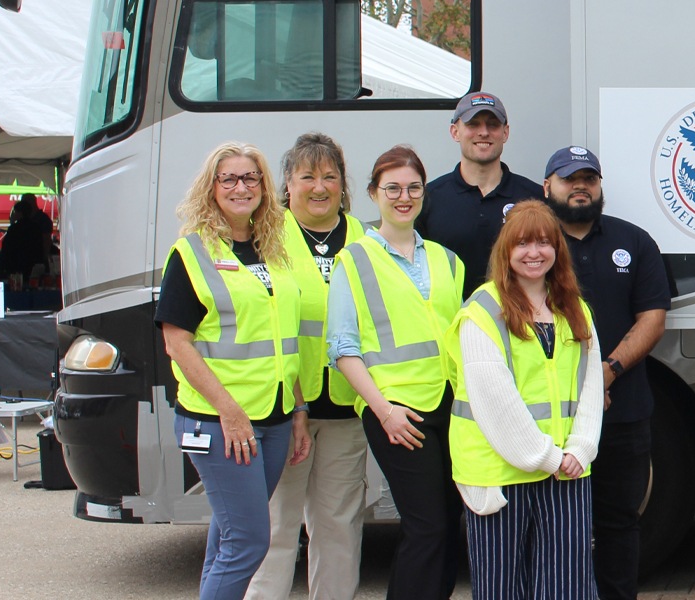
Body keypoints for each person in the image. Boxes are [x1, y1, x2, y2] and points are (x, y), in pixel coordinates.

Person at [154, 143, 310, 599]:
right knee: (248, 541)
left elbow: (285, 338)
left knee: (228, 537)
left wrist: (298, 407)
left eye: (251, 178)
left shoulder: (273, 251)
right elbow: (176, 341)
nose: (241, 187)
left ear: (264, 187)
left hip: (276, 417)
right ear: (212, 188)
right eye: (230, 179)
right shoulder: (192, 253)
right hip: (221, 419)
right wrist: (230, 412)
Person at [327, 145, 466, 599]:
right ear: (373, 193)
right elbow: (343, 349)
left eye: (413, 188)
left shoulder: (448, 261)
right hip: (397, 412)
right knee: (426, 527)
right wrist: (383, 410)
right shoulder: (355, 259)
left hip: (452, 407)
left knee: (448, 526)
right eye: (392, 188)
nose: (403, 197)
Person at [448, 200, 605, 599]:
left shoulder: (575, 309)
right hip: (500, 472)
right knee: (502, 589)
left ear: (557, 249)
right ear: (506, 250)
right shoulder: (482, 311)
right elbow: (495, 400)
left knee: (567, 589)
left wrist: (581, 449)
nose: (534, 253)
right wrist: (550, 458)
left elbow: (589, 386)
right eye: (522, 244)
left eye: (543, 242)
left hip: (568, 471)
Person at [542, 145, 672, 600]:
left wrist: (607, 373)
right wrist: (577, 383)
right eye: (568, 178)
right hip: (550, 418)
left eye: (589, 178)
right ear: (547, 187)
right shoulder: (533, 247)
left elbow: (653, 317)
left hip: (623, 414)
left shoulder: (634, 241)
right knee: (555, 529)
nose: (580, 186)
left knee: (618, 523)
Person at [247, 132, 370, 600]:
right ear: (287, 184)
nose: (319, 187)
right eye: (307, 176)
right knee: (276, 527)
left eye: (330, 176)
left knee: (338, 526)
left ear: (343, 184)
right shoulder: (265, 236)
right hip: (281, 411)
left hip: (345, 408)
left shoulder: (365, 238)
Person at [419, 91, 545, 297]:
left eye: (493, 125)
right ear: (454, 131)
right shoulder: (429, 198)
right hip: (450, 323)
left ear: (506, 132)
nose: (483, 132)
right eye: (473, 124)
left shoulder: (534, 199)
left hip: (519, 323)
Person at [2, 193, 53, 290]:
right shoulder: (37, 226)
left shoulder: (16, 228)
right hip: (34, 264)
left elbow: (7, 249)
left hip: (21, 266)